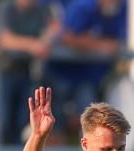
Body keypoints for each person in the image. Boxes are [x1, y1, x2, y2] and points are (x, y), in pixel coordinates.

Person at [47, 0, 127, 142]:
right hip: (61, 75)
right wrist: (98, 45)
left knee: (90, 125)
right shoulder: (83, 7)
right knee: (53, 125)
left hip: (88, 79)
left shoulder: (121, 9)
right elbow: (66, 37)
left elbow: (117, 44)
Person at [0, 0, 55, 145]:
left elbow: (54, 28)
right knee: (5, 121)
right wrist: (32, 45)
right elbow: (5, 39)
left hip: (28, 73)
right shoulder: (8, 9)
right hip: (7, 72)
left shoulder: (40, 10)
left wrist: (44, 41)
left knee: (24, 121)